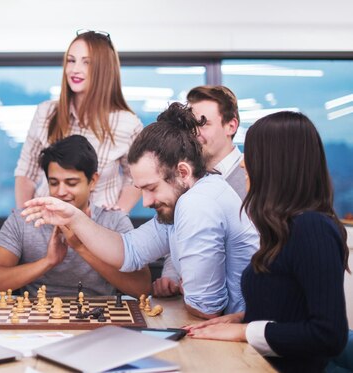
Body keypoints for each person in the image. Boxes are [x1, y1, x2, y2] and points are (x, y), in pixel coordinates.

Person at [21, 103, 258, 319]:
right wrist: (74, 217)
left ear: (183, 172)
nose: (145, 201)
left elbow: (206, 309)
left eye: (151, 188)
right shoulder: (183, 200)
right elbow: (129, 251)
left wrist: (191, 294)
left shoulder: (196, 203)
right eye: (140, 189)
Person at [186, 111, 349, 372]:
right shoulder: (283, 229)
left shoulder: (312, 228)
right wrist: (239, 320)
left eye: (252, 154)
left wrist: (245, 331)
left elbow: (328, 335)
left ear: (276, 164)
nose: (242, 164)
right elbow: (289, 309)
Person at [0, 135, 150, 297]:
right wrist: (48, 261)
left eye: (71, 183)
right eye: (54, 183)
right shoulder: (24, 220)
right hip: (36, 321)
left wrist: (81, 248)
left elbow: (142, 288)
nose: (61, 192)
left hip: (97, 321)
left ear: (93, 181)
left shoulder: (114, 221)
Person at [15, 29, 142, 212]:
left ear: (103, 69)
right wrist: (24, 217)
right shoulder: (46, 112)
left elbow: (136, 179)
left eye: (86, 63)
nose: (75, 69)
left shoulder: (127, 123)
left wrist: (119, 215)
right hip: (46, 223)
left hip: (98, 230)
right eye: (71, 61)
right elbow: (26, 172)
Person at [154, 85, 245, 297]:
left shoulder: (251, 178)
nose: (195, 133)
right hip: (194, 305)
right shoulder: (188, 177)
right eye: (192, 125)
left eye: (204, 124)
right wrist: (171, 276)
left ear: (231, 126)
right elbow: (181, 236)